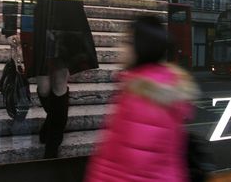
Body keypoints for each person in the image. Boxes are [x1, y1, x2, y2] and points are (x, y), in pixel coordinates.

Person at [2, 0, 99, 158]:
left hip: (68, 13)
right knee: (43, 86)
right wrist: (9, 26)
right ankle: (53, 124)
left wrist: (79, 23)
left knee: (58, 82)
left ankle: (53, 144)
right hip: (38, 12)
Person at [85, 15, 200, 182]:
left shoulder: (142, 97)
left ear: (140, 47)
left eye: (126, 42)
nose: (120, 47)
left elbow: (132, 164)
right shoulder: (160, 86)